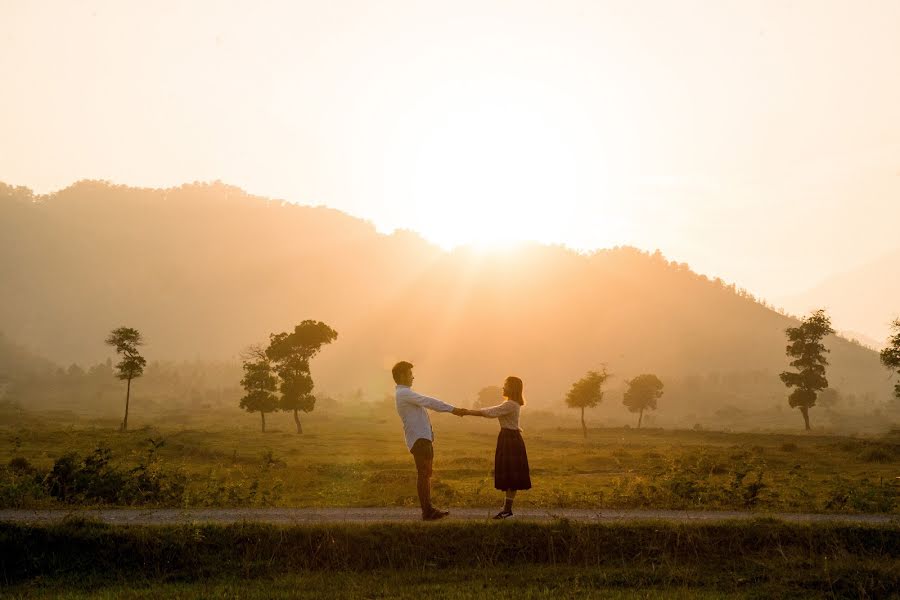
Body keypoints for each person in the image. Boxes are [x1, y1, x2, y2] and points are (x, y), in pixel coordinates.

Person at [392, 361, 465, 521]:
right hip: (419, 439)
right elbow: (430, 402)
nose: (413, 377)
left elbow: (422, 414)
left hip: (422, 438)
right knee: (423, 474)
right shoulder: (404, 393)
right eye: (410, 374)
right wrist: (453, 410)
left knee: (426, 474)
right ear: (402, 376)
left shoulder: (406, 394)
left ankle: (429, 509)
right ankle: (427, 511)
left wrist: (430, 432)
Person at [460, 376, 531, 519]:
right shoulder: (511, 403)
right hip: (508, 438)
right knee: (510, 473)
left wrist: (466, 411)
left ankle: (507, 510)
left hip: (510, 439)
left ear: (513, 388)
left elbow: (489, 412)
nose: (503, 387)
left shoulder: (510, 404)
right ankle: (507, 509)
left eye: (506, 385)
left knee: (511, 474)